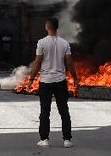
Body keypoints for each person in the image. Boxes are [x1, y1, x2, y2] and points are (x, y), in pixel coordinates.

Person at [27, 17, 78, 149]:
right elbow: (70, 63)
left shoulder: (42, 43)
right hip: (61, 81)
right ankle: (67, 140)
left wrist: (31, 79)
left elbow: (37, 63)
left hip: (46, 81)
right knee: (64, 111)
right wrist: (75, 79)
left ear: (47, 27)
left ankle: (44, 139)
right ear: (57, 27)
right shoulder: (64, 43)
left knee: (45, 111)